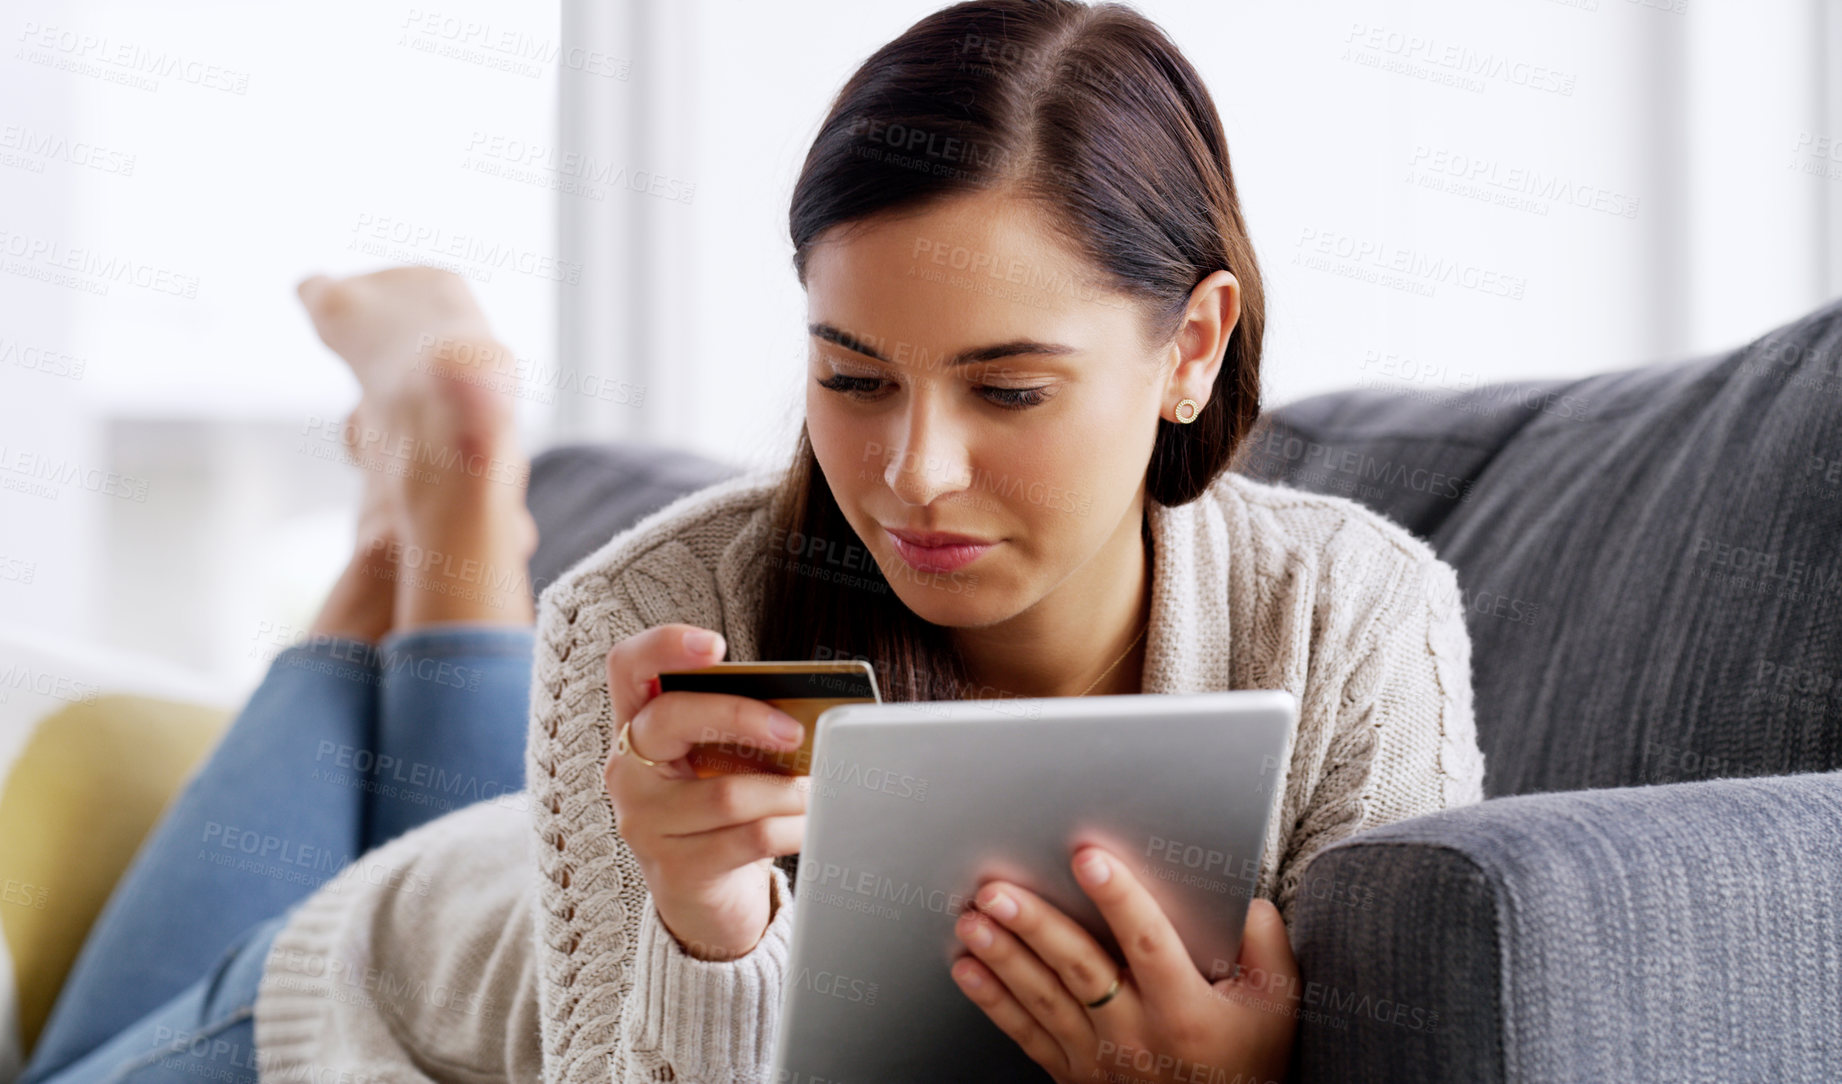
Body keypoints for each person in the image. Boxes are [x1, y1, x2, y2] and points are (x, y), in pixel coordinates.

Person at [22, 2, 1487, 1082]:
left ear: (1191, 346)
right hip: (382, 993)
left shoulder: (1355, 621)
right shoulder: (662, 602)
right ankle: (436, 488)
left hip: (510, 851)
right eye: (851, 378)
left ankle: (429, 489)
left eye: (1009, 388)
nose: (910, 474)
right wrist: (709, 935)